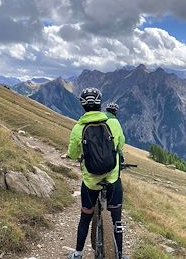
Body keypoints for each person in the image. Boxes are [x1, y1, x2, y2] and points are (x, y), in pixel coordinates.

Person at [67, 88, 126, 259]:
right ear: (100, 103)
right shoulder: (113, 123)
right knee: (117, 218)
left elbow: (72, 153)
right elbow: (121, 144)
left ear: (82, 105)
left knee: (85, 216)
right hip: (112, 177)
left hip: (91, 182)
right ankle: (120, 255)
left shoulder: (78, 129)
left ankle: (77, 254)